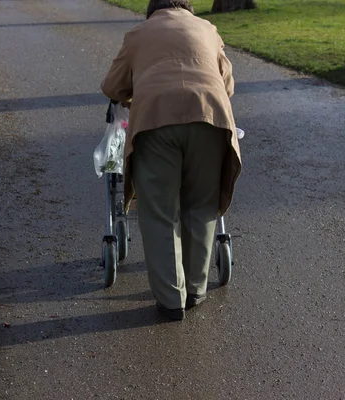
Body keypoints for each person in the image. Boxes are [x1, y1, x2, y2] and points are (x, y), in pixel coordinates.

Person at [101, 0, 242, 320]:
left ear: (153, 10)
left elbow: (112, 86)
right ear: (187, 9)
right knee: (202, 203)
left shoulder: (139, 34)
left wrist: (135, 89)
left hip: (156, 122)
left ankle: (170, 299)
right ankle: (195, 289)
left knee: (160, 210)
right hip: (210, 118)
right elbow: (228, 84)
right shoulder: (208, 29)